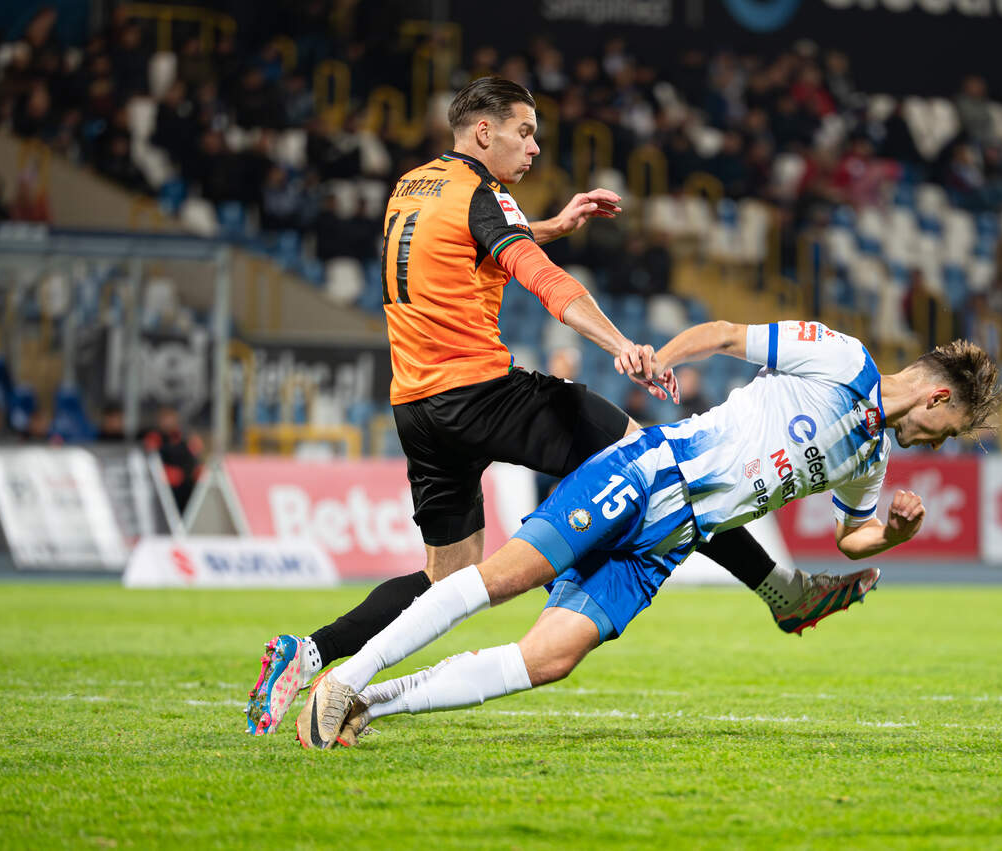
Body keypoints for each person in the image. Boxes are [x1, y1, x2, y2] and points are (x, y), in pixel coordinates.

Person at [244, 77, 779, 734]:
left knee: (447, 578)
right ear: (483, 131)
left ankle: (309, 652)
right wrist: (621, 343)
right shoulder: (481, 193)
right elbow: (541, 279)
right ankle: (777, 588)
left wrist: (552, 224)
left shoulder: (412, 185)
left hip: (417, 406)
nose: (533, 148)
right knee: (658, 461)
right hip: (480, 392)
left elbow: (469, 244)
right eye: (524, 133)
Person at [294, 320, 1002, 749]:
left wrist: (892, 533)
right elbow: (726, 335)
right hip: (647, 473)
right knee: (505, 578)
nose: (938, 443)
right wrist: (666, 357)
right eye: (949, 429)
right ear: (939, 396)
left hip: (670, 541)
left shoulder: (871, 458)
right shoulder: (841, 359)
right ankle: (346, 676)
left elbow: (851, 540)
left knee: (551, 658)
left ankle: (368, 702)